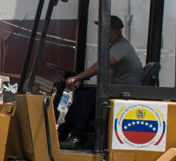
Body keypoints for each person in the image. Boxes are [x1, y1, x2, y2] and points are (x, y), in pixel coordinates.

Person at [58, 15, 145, 145]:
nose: (103, 34)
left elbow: (102, 65)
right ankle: (65, 131)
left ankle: (77, 135)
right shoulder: (114, 46)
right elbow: (98, 65)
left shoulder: (122, 47)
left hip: (124, 93)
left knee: (87, 97)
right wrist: (81, 77)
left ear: (115, 31)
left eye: (107, 30)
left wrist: (77, 77)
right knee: (83, 93)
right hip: (117, 90)